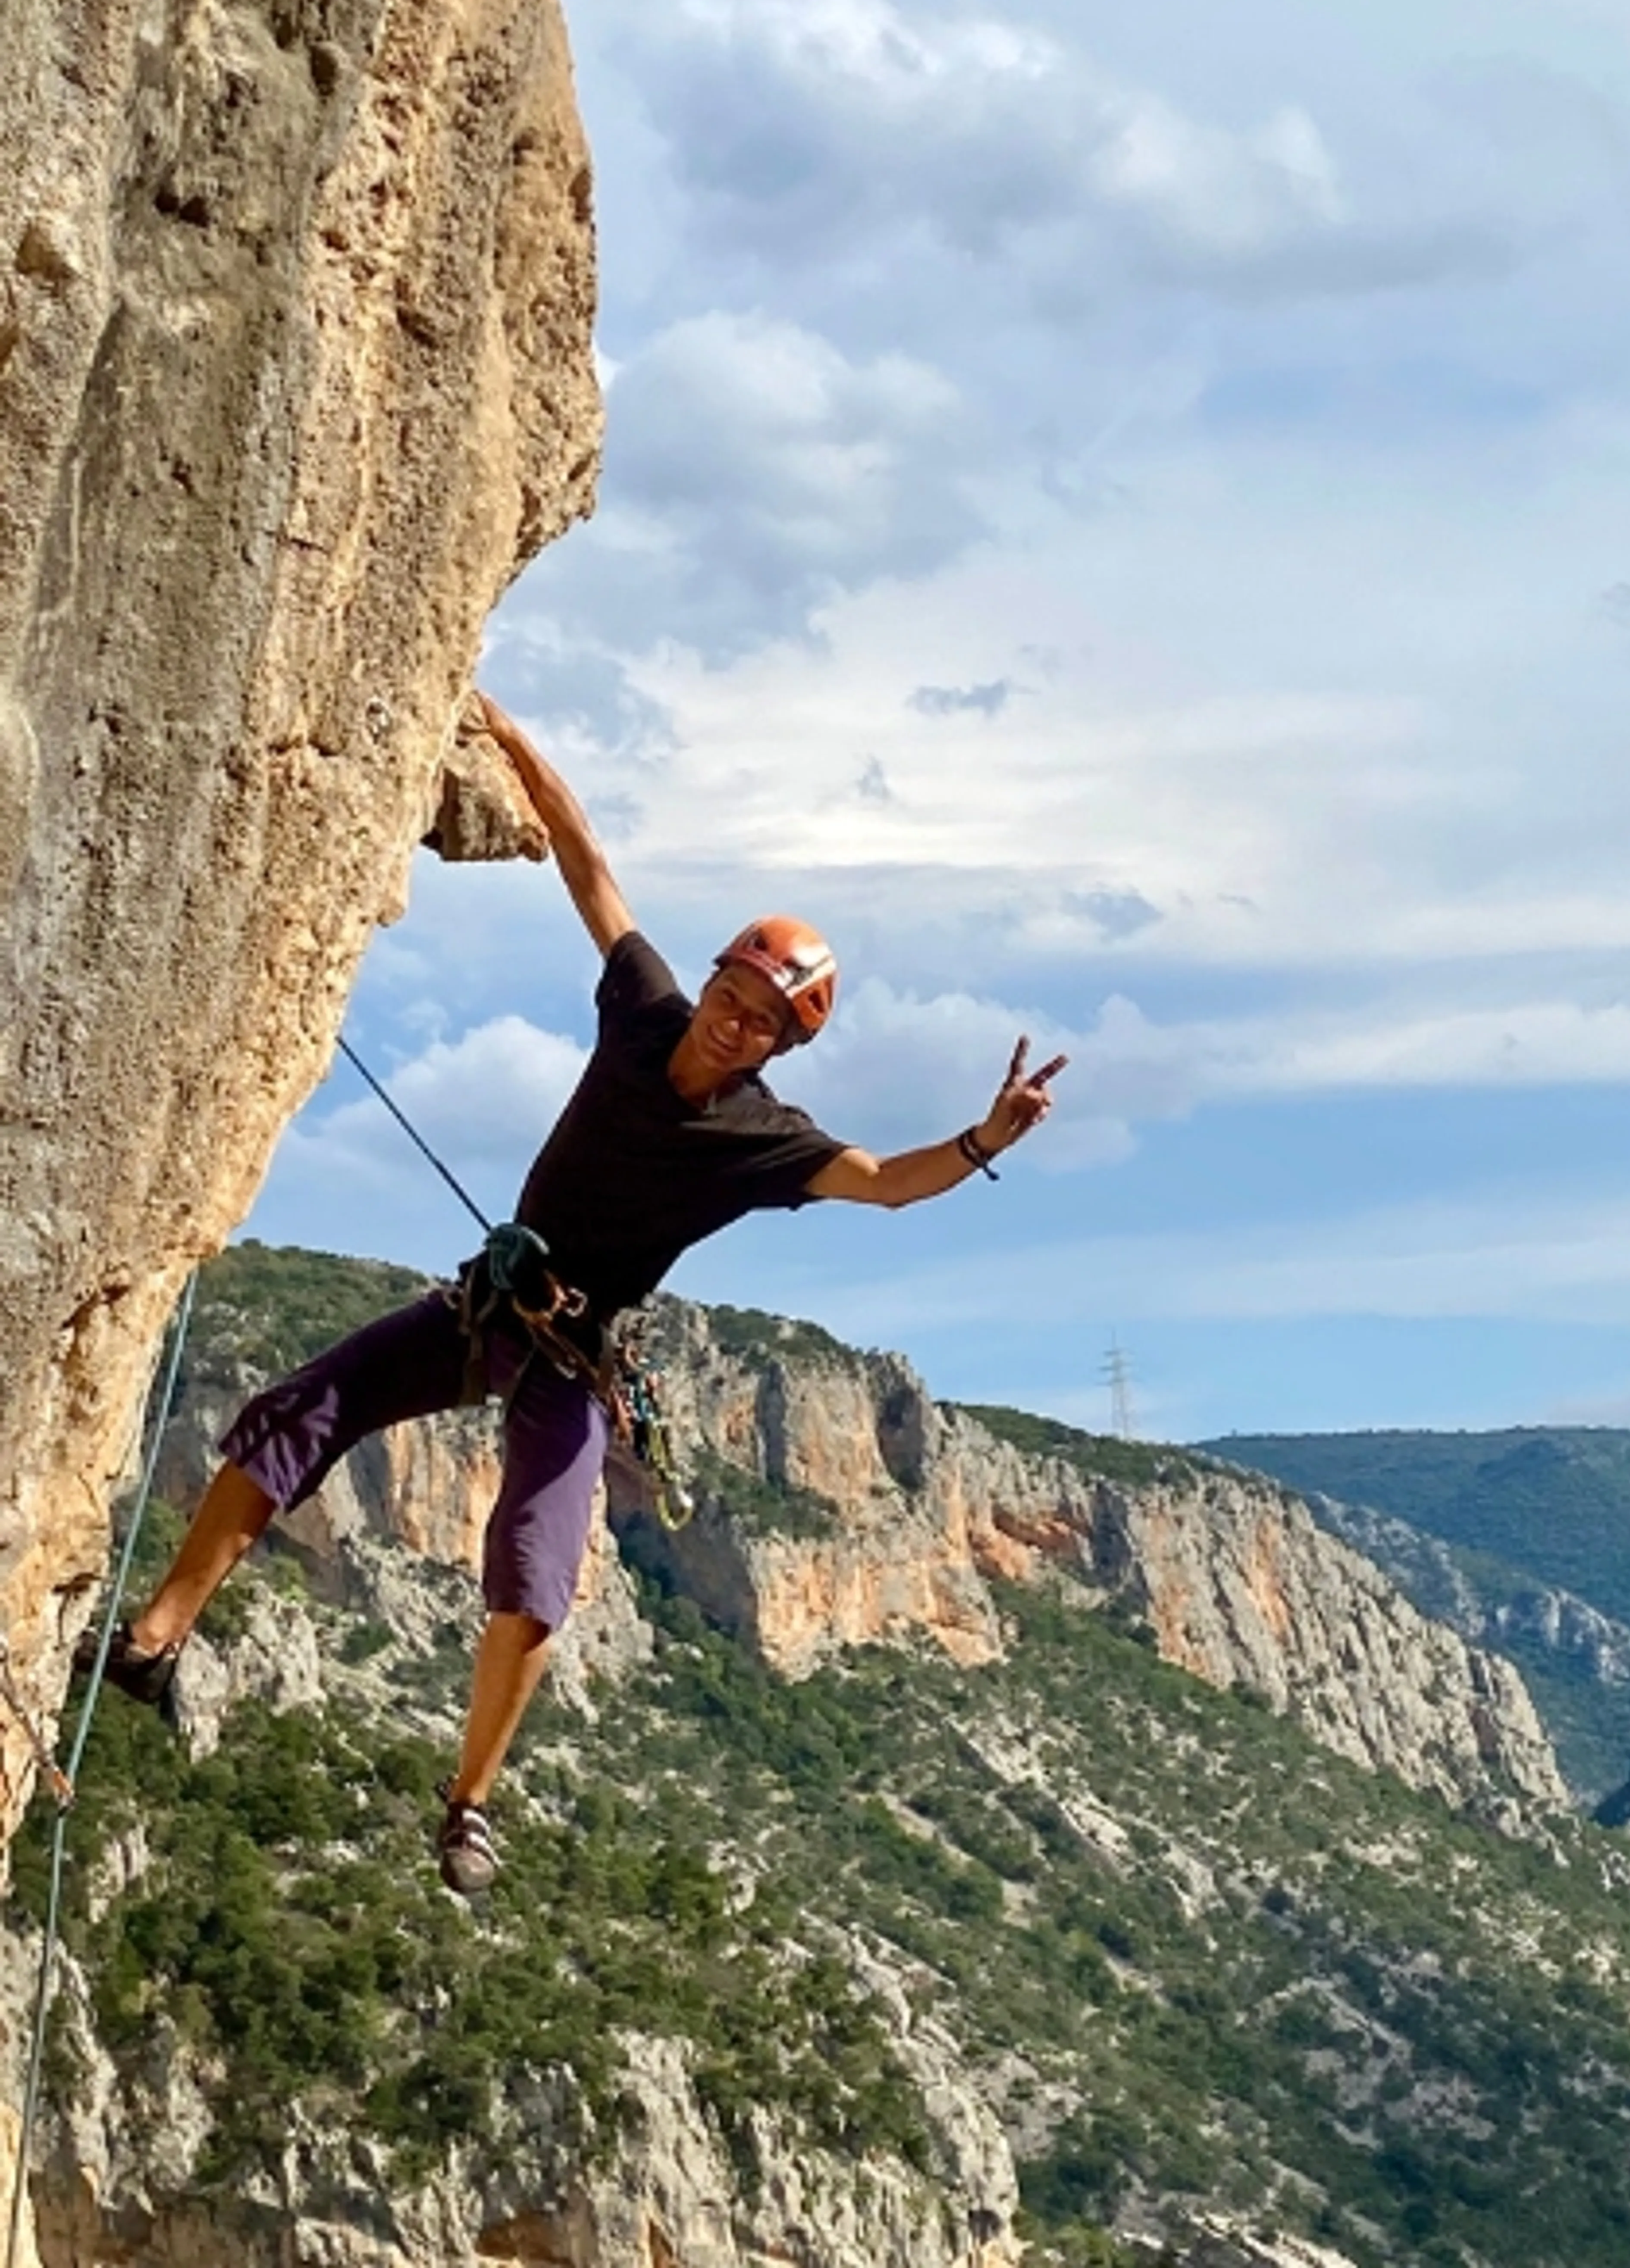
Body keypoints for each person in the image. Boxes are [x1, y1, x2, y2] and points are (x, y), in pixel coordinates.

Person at [85, 698, 1067, 1894]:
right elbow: (586, 860)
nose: (731, 1016)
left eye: (759, 1018)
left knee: (539, 1575)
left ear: (774, 1047)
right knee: (301, 1411)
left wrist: (985, 1136)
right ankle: (152, 1641)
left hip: (573, 1354)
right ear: (712, 981)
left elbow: (885, 1185)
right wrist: (500, 731)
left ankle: (468, 1806)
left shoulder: (762, 1139)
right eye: (733, 990)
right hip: (486, 1308)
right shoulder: (643, 1006)